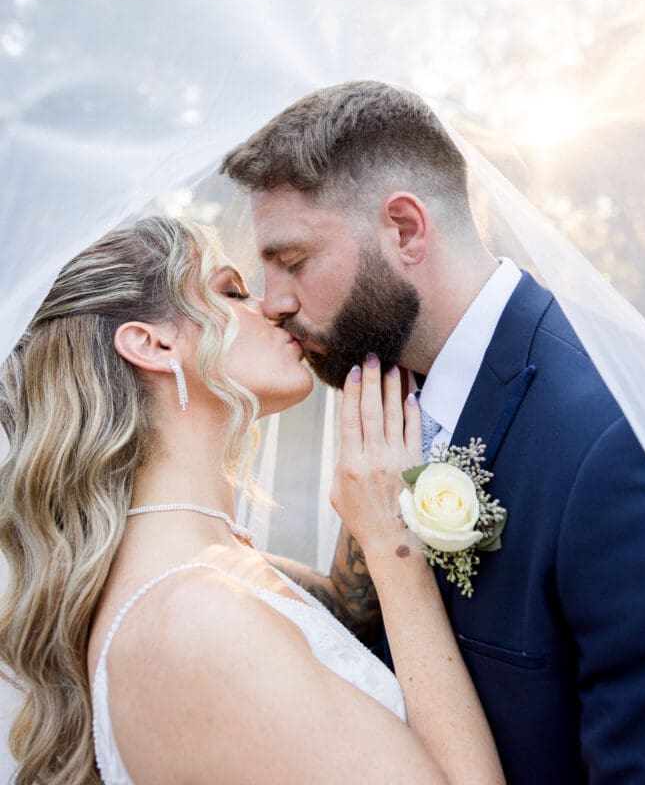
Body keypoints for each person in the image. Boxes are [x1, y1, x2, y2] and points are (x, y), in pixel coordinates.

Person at [222, 79, 645, 785]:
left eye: (293, 262)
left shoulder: (607, 445)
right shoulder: (393, 405)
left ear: (404, 229)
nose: (273, 302)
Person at [0, 215, 505, 785]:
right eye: (231, 292)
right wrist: (393, 546)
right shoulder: (194, 623)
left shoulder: (210, 573)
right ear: (153, 343)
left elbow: (348, 606)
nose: (271, 307)